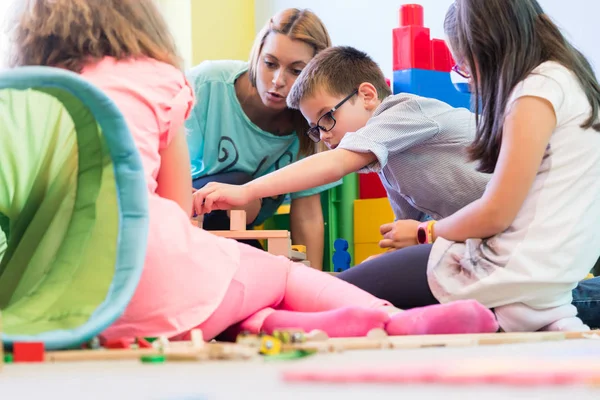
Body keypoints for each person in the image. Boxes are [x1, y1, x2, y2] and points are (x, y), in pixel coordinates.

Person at [8, 0, 501, 341]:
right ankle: (387, 321)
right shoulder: (174, 82)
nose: (277, 82)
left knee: (246, 288)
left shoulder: (25, 96)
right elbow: (177, 209)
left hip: (47, 298)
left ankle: (306, 320)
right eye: (270, 65)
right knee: (274, 275)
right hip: (151, 278)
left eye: (325, 119)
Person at [193, 0, 600, 331]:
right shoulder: (389, 162)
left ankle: (256, 319)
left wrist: (248, 191)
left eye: (327, 121)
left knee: (334, 290)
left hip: (497, 258)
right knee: (360, 283)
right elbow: (405, 234)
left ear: (367, 95)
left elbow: (339, 165)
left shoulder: (402, 110)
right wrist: (407, 243)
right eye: (315, 129)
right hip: (506, 258)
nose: (326, 136)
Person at [186, 8, 338, 269]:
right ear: (257, 55)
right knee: (240, 189)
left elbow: (308, 216)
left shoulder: (314, 122)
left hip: (241, 231)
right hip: (187, 213)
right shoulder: (206, 85)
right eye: (270, 64)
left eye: (296, 70)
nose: (278, 81)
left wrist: (313, 281)